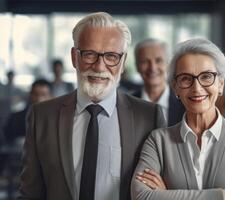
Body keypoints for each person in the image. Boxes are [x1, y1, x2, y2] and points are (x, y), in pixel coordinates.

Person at [19, 12, 166, 200]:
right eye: (89, 54)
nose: (99, 67)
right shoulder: (42, 116)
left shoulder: (149, 117)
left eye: (111, 56)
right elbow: (30, 194)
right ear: (74, 57)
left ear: (122, 63)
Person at [131, 38, 225, 200]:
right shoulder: (158, 141)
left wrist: (166, 195)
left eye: (206, 77)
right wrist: (222, 195)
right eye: (186, 78)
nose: (196, 88)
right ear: (175, 87)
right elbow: (141, 196)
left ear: (221, 84)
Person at [133, 38, 185, 126]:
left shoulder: (184, 105)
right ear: (137, 66)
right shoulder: (125, 105)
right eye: (145, 61)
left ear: (169, 65)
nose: (152, 68)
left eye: (158, 60)